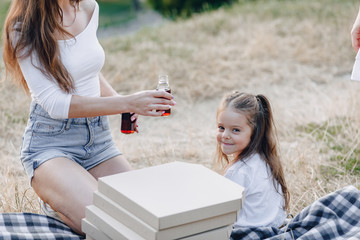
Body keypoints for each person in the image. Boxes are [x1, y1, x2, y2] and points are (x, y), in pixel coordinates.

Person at [2, 0, 175, 235]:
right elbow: (55, 104)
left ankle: (65, 207)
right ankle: (63, 197)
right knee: (109, 223)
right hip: (51, 145)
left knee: (145, 216)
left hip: (98, 142)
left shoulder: (88, 7)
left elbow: (88, 69)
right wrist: (127, 102)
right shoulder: (23, 27)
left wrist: (121, 102)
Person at [215, 91, 290, 228]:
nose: (225, 135)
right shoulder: (265, 159)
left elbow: (220, 217)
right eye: (221, 127)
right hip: (274, 227)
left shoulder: (238, 172)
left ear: (254, 132)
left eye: (235, 130)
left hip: (249, 233)